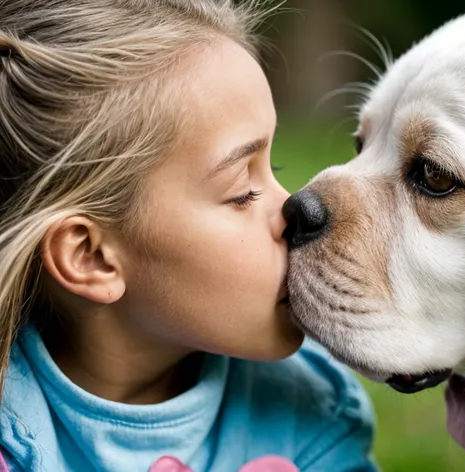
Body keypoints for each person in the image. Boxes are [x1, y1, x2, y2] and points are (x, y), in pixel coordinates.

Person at [0, 1, 378, 471]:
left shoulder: (312, 418)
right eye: (243, 191)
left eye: (274, 166)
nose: (295, 206)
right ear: (91, 256)